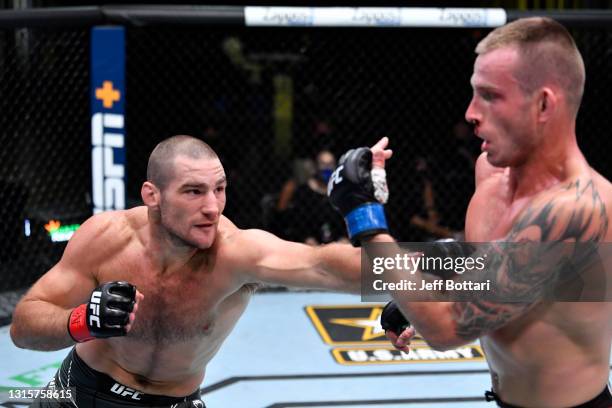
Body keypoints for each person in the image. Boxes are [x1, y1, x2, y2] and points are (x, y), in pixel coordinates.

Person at [328, 17, 612, 407]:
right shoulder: (492, 174)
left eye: (490, 96)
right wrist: (421, 293)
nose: (470, 112)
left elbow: (447, 329)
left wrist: (364, 216)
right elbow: (498, 277)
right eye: (474, 95)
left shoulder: (576, 208)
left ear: (544, 104)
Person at [9, 135, 365, 408]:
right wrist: (82, 321)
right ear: (152, 195)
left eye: (219, 189)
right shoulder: (106, 239)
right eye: (193, 191)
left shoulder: (237, 254)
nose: (212, 207)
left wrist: (415, 283)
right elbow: (24, 328)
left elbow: (326, 267)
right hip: (79, 389)